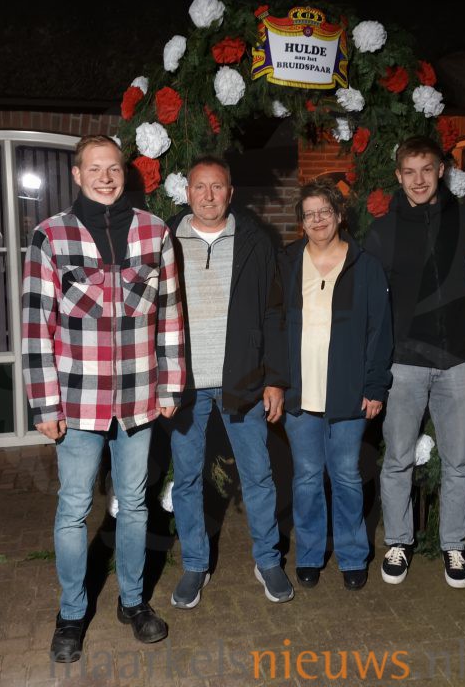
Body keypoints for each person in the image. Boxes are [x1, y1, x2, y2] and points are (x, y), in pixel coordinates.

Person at [21, 134, 186, 662]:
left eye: (113, 167)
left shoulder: (154, 232)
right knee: (74, 509)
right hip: (76, 402)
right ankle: (72, 613)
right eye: (94, 168)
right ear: (77, 175)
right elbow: (34, 326)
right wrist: (44, 404)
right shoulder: (50, 237)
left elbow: (172, 315)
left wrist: (172, 383)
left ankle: (133, 602)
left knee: (134, 505)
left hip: (140, 397)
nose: (105, 177)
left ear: (125, 172)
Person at [164, 155, 294, 607]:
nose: (208, 196)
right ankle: (195, 565)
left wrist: (275, 379)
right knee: (186, 480)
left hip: (243, 379)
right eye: (200, 187)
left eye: (217, 187)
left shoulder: (257, 241)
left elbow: (275, 314)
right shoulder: (165, 240)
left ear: (230, 192)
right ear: (187, 193)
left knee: (259, 475)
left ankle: (269, 560)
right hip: (184, 383)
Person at [363, 136, 465, 588]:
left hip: (456, 360)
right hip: (404, 363)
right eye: (409, 172)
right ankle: (398, 540)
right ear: (398, 176)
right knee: (396, 459)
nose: (418, 180)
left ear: (441, 171)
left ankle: (454, 545)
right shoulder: (384, 230)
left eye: (426, 170)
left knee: (458, 462)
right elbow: (368, 299)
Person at [279, 178, 392, 591]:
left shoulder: (365, 265)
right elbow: (275, 326)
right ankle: (309, 554)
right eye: (309, 214)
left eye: (325, 211)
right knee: (307, 477)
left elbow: (381, 332)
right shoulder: (288, 261)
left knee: (345, 475)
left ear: (340, 215)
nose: (318, 220)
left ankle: (351, 554)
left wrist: (376, 387)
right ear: (301, 222)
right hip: (299, 391)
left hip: (348, 391)